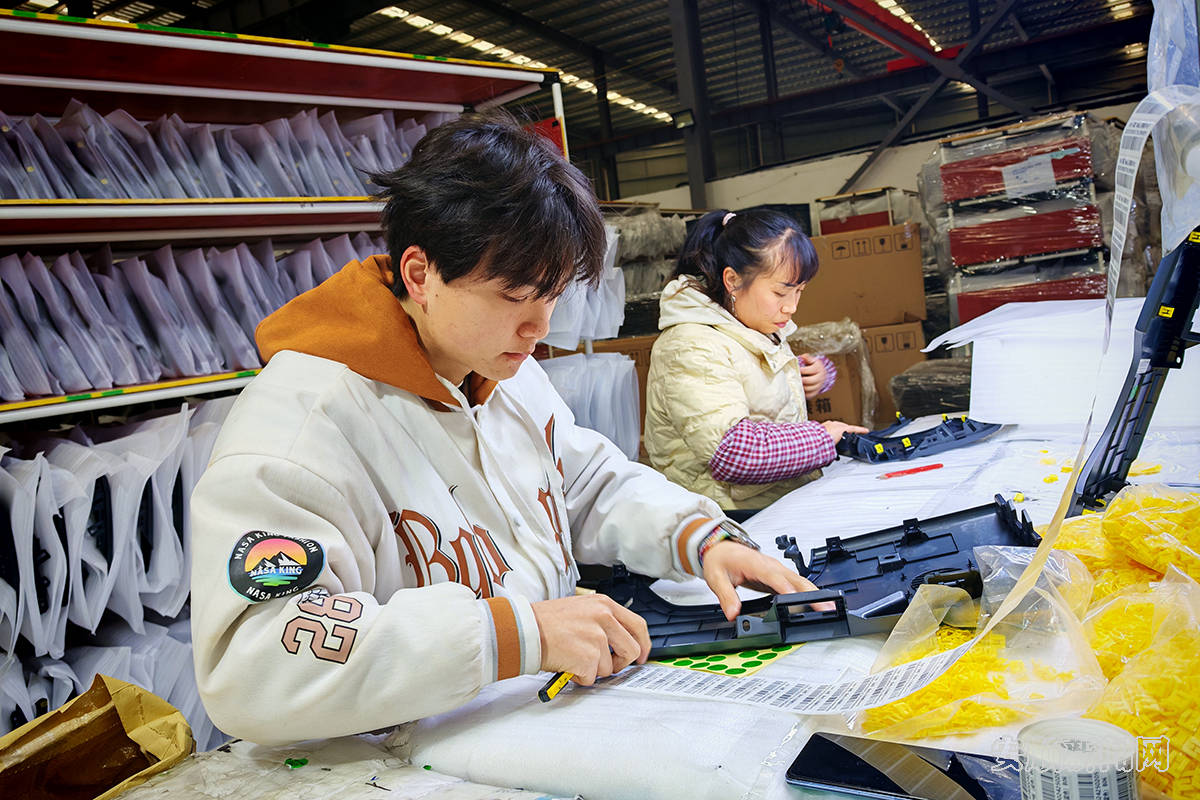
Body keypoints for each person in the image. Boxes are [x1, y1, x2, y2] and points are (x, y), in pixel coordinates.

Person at [189, 110, 823, 747]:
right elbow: (252, 664)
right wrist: (516, 636)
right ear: (420, 275)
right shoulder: (301, 431)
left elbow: (584, 482)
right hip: (395, 767)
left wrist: (700, 538)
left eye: (552, 295)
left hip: (533, 726)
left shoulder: (501, 369)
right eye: (515, 295)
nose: (540, 327)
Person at [644, 208, 869, 514]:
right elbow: (734, 452)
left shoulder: (749, 325)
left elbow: (758, 386)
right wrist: (823, 438)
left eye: (799, 291)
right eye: (781, 292)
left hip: (774, 501)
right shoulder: (690, 345)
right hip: (728, 518)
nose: (791, 307)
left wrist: (814, 375)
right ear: (733, 280)